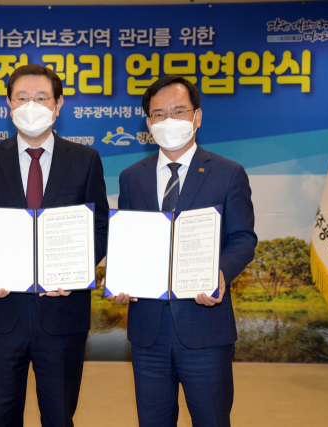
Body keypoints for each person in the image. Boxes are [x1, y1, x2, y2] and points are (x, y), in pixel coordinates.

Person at [0, 64, 109, 427]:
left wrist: (77, 273)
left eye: (41, 98)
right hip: (2, 312)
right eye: (22, 98)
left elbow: (100, 227)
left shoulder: (85, 159)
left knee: (59, 417)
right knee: (1, 416)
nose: (31, 106)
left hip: (63, 312)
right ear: (9, 104)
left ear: (58, 104)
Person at [109, 75, 257, 427]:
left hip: (205, 326)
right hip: (148, 331)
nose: (169, 120)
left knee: (211, 419)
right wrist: (121, 277)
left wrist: (220, 272)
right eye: (159, 114)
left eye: (179, 111)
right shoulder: (132, 177)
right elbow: (130, 239)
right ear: (148, 124)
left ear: (197, 117)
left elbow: (243, 238)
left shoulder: (228, 173)